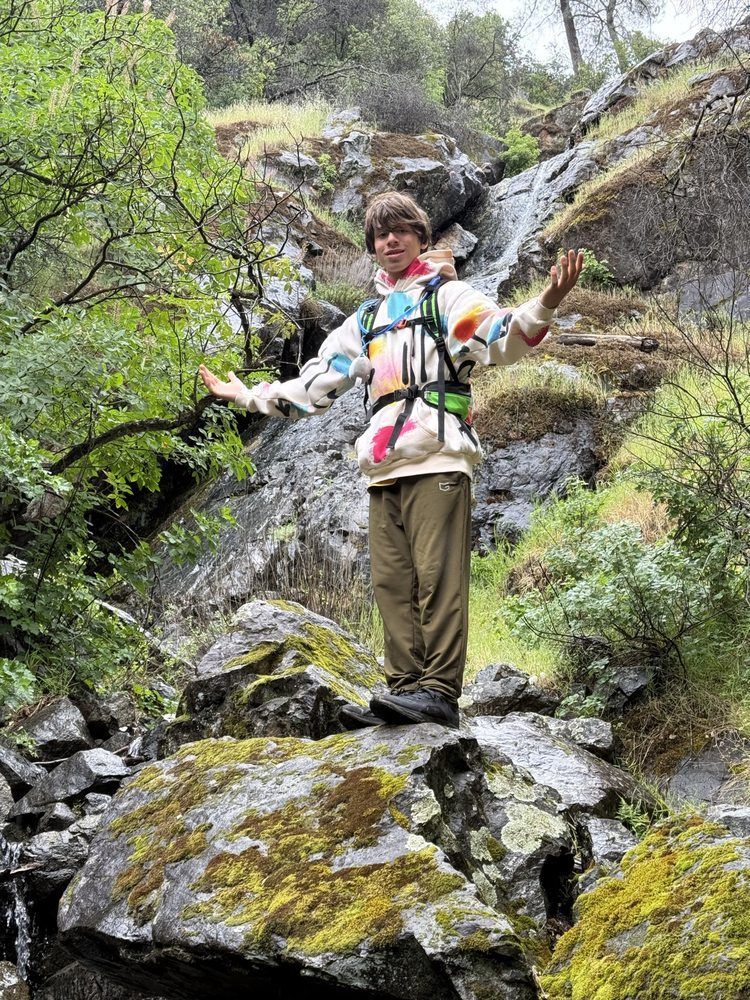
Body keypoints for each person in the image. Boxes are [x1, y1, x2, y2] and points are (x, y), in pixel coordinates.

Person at [199, 190, 583, 730]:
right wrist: (246, 396)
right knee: (392, 581)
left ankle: (439, 692)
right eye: (380, 235)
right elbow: (314, 385)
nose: (390, 241)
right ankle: (403, 690)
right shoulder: (366, 320)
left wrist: (545, 303)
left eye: (401, 231)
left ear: (422, 238)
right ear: (373, 248)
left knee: (437, 577)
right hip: (383, 466)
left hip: (439, 457)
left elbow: (501, 337)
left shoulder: (448, 298)